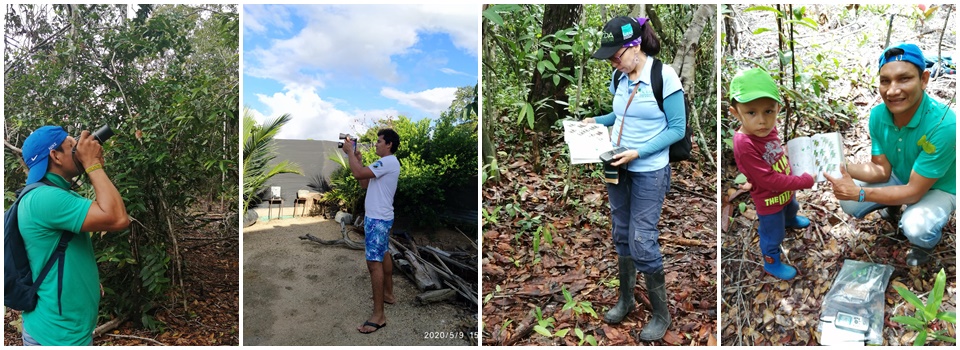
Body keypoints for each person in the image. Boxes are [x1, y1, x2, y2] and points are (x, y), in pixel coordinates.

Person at [583, 16, 684, 341]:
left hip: (649, 170)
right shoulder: (619, 77)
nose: (612, 61)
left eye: (616, 54)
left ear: (635, 46)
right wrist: (593, 121)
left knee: (643, 239)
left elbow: (677, 129)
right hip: (617, 165)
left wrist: (638, 152)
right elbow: (619, 114)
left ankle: (661, 313)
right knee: (621, 232)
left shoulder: (663, 76)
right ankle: (626, 298)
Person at [824, 43, 956, 266]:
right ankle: (893, 204)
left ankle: (925, 244)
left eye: (904, 79)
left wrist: (861, 193)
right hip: (903, 175)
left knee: (915, 226)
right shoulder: (878, 115)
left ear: (924, 79)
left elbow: (914, 192)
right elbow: (881, 169)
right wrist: (838, 165)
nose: (892, 90)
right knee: (850, 204)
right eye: (885, 81)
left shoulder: (944, 125)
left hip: (939, 186)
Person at [18, 126, 130, 346]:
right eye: (73, 146)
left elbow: (105, 208)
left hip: (64, 328)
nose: (79, 150)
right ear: (55, 156)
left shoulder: (57, 194)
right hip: (57, 334)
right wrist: (92, 165)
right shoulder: (45, 198)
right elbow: (118, 218)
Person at [729, 68, 815, 282]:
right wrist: (801, 181)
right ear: (736, 113)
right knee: (772, 233)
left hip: (785, 192)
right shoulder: (745, 143)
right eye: (751, 113)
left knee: (791, 206)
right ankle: (771, 262)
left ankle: (791, 219)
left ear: (778, 108)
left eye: (769, 111)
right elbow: (767, 180)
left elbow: (775, 150)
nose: (762, 121)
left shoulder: (768, 130)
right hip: (769, 200)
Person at [341, 128, 401, 334]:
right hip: (380, 218)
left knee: (373, 264)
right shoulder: (385, 164)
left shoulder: (388, 161)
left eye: (379, 141)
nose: (375, 144)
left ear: (389, 144)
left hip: (377, 219)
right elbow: (364, 183)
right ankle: (388, 294)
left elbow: (357, 172)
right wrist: (357, 158)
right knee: (383, 253)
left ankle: (379, 316)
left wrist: (350, 153)